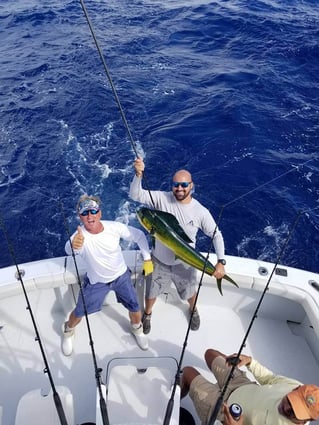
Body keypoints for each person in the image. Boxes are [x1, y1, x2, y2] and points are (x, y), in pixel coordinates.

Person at [129, 157, 227, 333]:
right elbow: (135, 195)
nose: (179, 188)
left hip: (185, 262)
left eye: (184, 185)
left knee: (189, 292)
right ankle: (148, 314)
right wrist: (138, 175)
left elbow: (216, 235)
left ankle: (193, 310)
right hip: (159, 260)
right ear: (172, 186)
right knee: (151, 292)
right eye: (176, 185)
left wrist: (221, 262)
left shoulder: (200, 212)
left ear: (191, 186)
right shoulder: (161, 199)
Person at [62, 194, 154, 356]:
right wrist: (74, 245)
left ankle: (137, 329)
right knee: (79, 311)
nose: (89, 216)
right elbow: (69, 250)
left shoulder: (114, 227)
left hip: (121, 277)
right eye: (84, 213)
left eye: (93, 211)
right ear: (80, 217)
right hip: (96, 282)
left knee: (134, 306)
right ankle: (68, 330)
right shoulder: (79, 237)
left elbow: (139, 235)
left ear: (99, 213)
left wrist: (147, 259)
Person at [181, 347, 319, 425]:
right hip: (242, 384)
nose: (287, 407)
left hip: (224, 411)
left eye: (295, 412)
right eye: (291, 400)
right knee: (210, 354)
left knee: (187, 372)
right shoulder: (295, 385)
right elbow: (270, 379)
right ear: (296, 390)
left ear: (308, 419)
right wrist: (250, 362)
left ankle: (173, 400)